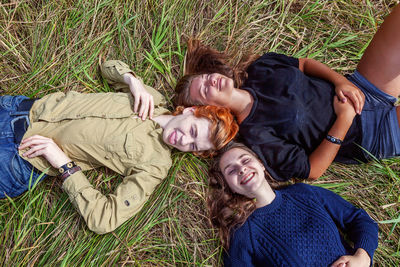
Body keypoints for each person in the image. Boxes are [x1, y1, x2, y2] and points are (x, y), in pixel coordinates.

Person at [0, 60, 239, 234]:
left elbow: (104, 219)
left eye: (194, 146)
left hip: (20, 160)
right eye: (193, 131)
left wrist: (64, 165)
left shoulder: (156, 165)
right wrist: (132, 81)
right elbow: (107, 66)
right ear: (189, 111)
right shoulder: (152, 98)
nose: (185, 140)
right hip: (16, 109)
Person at [174, 4, 400, 181]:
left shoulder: (260, 68)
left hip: (363, 87)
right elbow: (312, 170)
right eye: (204, 90)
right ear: (211, 109)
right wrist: (344, 119)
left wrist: (340, 81)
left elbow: (303, 64)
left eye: (205, 77)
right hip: (369, 135)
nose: (210, 80)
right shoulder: (257, 137)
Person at [208, 141, 378, 266]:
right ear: (229, 187)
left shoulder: (304, 193)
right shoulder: (243, 234)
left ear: (260, 164)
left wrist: (362, 257)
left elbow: (359, 219)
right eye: (231, 170)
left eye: (245, 160)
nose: (241, 169)